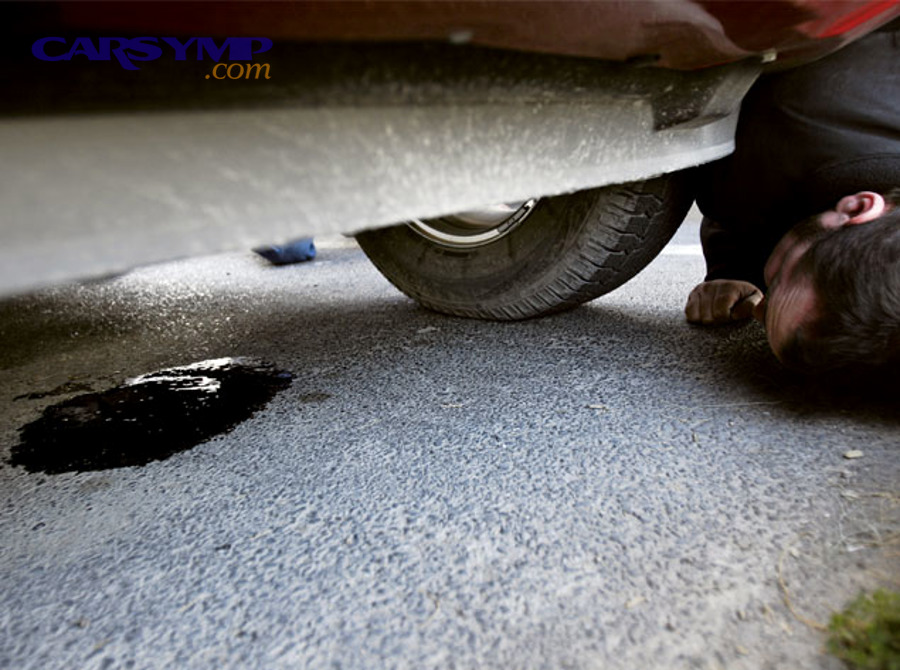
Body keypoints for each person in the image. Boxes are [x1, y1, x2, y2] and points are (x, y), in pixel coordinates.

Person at [684, 19, 900, 377]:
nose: (762, 298)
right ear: (857, 207)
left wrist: (732, 274)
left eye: (763, 311)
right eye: (781, 277)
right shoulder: (765, 154)